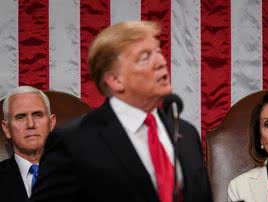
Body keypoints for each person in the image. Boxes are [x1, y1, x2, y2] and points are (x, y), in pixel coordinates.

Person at [31, 21, 212, 202]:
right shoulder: (73, 141)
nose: (161, 62)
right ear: (115, 80)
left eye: (158, 52)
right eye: (145, 57)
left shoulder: (186, 134)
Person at [0, 86, 56, 202]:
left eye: (37, 115)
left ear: (51, 123)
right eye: (20, 117)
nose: (30, 124)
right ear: (6, 129)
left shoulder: (79, 175)